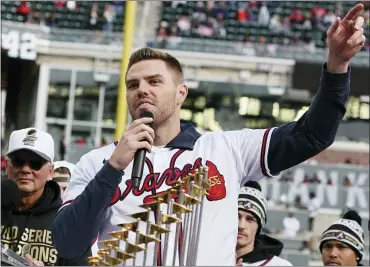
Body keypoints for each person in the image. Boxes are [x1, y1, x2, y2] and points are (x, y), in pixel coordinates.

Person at [52, 4, 366, 265]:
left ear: (181, 93)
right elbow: (67, 244)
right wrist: (113, 169)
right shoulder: (97, 163)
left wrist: (337, 66)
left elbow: (312, 135)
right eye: (133, 85)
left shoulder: (227, 148)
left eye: (154, 81)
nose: (142, 90)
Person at [1, 128, 88, 266]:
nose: (25, 169)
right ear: (7, 167)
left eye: (35, 164)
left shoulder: (68, 221)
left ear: (50, 172)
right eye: (18, 162)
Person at [236, 181, 292, 266]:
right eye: (237, 217)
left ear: (258, 227)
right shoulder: (211, 257)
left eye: (250, 219)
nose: (241, 226)